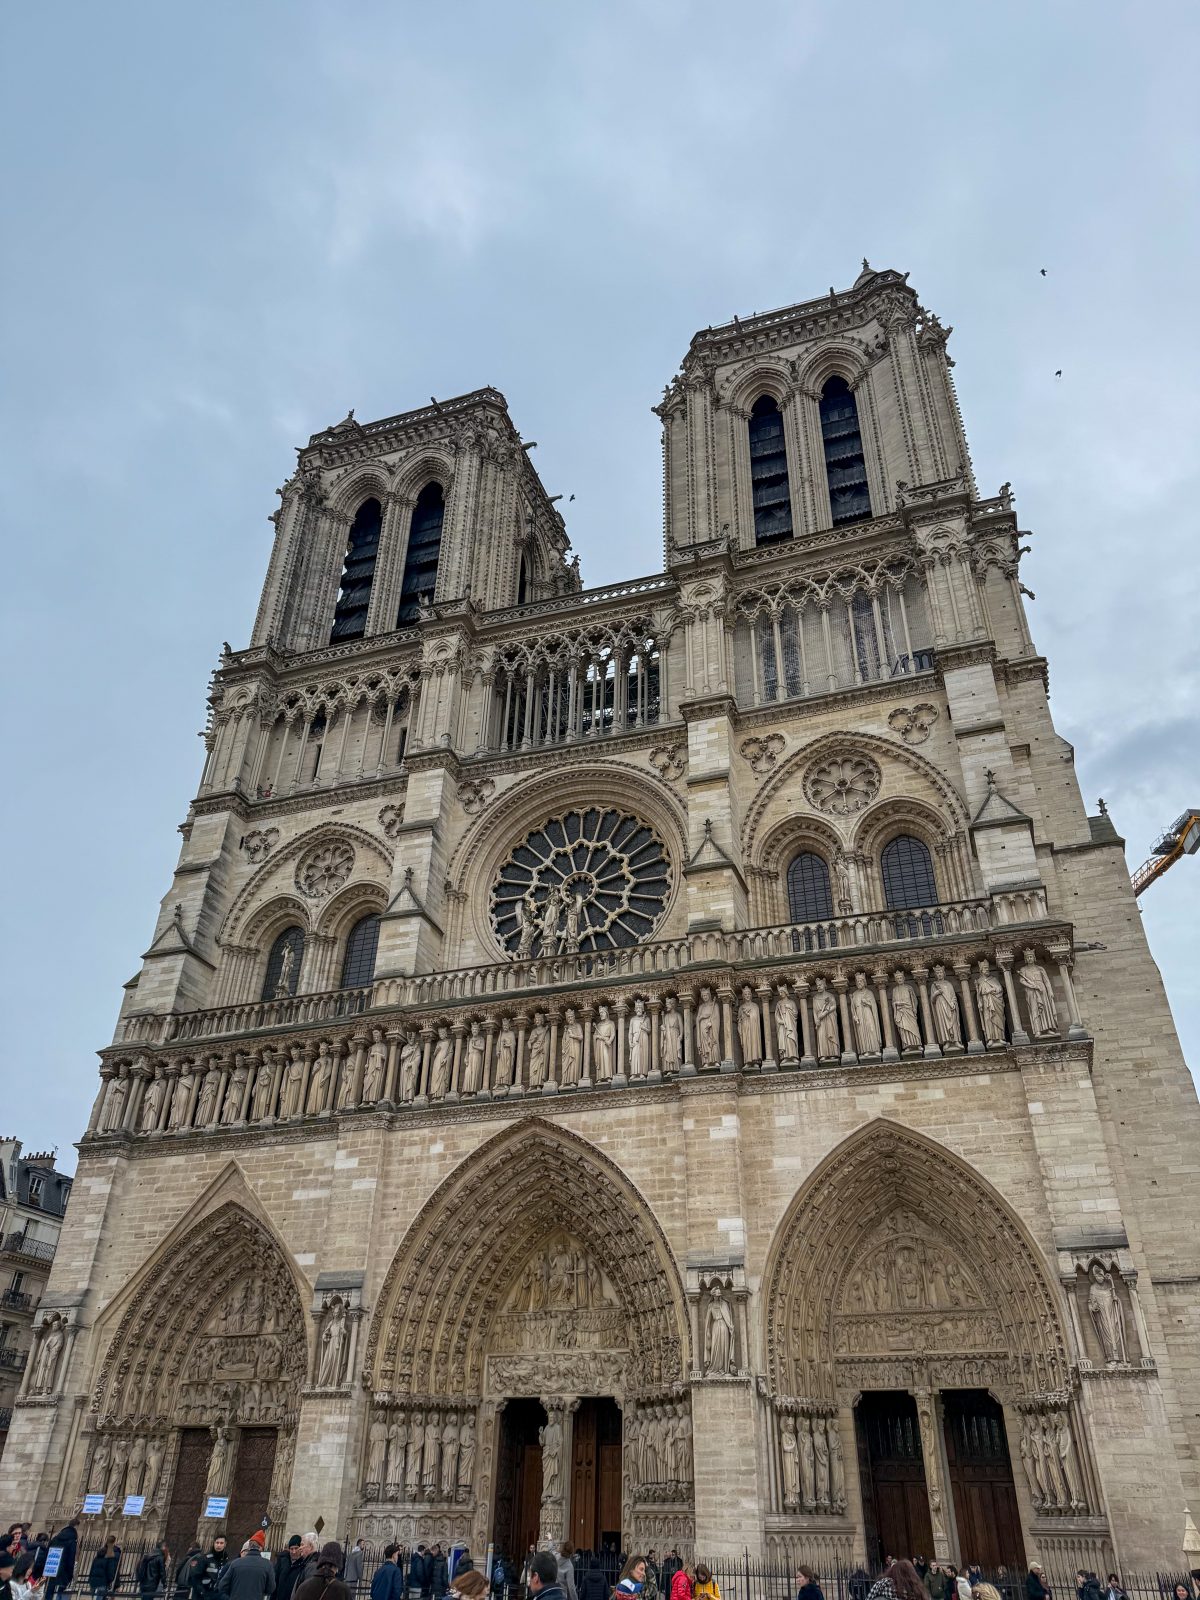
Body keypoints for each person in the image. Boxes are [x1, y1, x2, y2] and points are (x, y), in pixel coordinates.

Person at [42, 1520, 80, 1600]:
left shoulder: (56, 1538)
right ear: (76, 1527)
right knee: (61, 1592)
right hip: (64, 1571)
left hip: (51, 1568)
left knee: (49, 1591)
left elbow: (47, 1552)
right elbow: (71, 1559)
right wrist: (70, 1574)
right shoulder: (72, 1541)